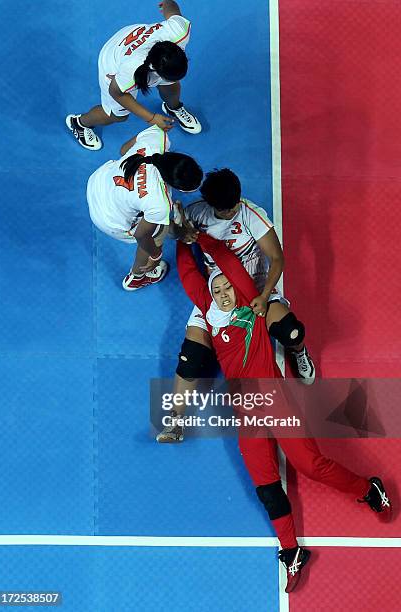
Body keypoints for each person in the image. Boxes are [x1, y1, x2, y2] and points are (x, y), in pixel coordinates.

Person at [174, 232, 392, 592]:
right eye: (218, 290)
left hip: (275, 400)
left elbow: (230, 266)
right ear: (210, 296)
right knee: (266, 486)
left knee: (311, 465)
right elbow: (188, 276)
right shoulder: (210, 315)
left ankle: (370, 489)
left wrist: (205, 241)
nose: (224, 292)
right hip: (246, 413)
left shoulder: (249, 303)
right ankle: (291, 551)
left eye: (228, 287)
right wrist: (182, 241)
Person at [156, 168, 314, 443]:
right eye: (226, 210)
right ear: (211, 204)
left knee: (291, 331)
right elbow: (170, 232)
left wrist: (264, 297)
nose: (232, 211)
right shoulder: (197, 212)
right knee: (190, 359)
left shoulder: (251, 215)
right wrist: (182, 230)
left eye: (235, 205)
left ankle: (299, 353)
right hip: (217, 293)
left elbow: (277, 258)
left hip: (254, 290)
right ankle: (175, 423)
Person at [66, 1, 201, 151]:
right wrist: (151, 118)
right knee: (118, 116)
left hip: (136, 38)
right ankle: (78, 123)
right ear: (156, 71)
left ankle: (173, 108)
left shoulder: (178, 31)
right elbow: (116, 92)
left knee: (172, 86)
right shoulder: (132, 68)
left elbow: (172, 6)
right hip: (113, 59)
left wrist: (166, 3)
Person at [86, 125, 202, 290]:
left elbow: (123, 150)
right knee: (157, 233)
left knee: (155, 218)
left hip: (98, 182)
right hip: (108, 218)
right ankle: (137, 277)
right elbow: (141, 235)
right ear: (178, 187)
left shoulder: (158, 136)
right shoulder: (160, 203)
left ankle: (178, 231)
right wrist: (155, 255)